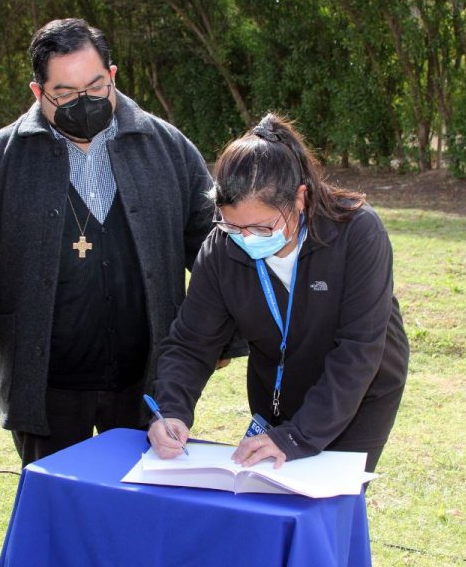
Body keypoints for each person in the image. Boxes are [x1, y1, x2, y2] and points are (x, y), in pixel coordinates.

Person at [0, 17, 240, 464]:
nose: (85, 101)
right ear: (38, 93)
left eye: (96, 87)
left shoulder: (167, 148)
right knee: (61, 515)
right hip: (46, 385)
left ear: (112, 76)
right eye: (66, 94)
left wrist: (220, 338)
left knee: (138, 509)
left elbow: (213, 246)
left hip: (146, 381)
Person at [148, 114, 409, 473]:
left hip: (357, 393)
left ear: (300, 198)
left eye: (261, 226)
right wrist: (172, 410)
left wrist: (297, 436)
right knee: (272, 497)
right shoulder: (221, 248)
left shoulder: (356, 233)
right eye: (233, 226)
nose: (247, 238)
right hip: (277, 392)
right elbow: (192, 342)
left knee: (332, 502)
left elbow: (359, 349)